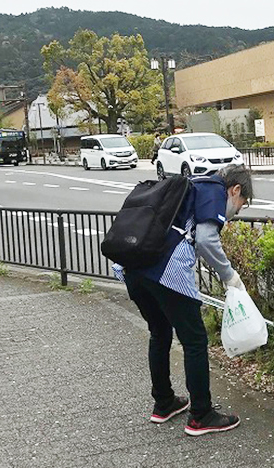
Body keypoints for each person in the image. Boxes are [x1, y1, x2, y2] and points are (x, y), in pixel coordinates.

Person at [114, 164, 253, 436]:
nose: (237, 210)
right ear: (234, 190)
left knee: (160, 332)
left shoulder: (190, 186)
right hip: (166, 272)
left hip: (133, 268)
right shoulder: (214, 190)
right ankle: (201, 415)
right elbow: (206, 239)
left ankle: (164, 402)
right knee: (195, 341)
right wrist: (231, 277)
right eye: (241, 203)